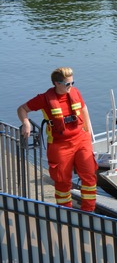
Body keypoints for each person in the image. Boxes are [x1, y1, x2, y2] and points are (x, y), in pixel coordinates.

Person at [17, 67, 98, 212]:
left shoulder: (75, 92)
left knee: (89, 176)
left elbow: (84, 108)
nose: (71, 86)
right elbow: (22, 109)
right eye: (67, 84)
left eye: (72, 82)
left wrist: (89, 131)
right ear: (56, 83)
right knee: (62, 182)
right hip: (60, 144)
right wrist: (26, 123)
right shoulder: (43, 99)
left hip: (81, 139)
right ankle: (65, 213)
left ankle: (89, 213)